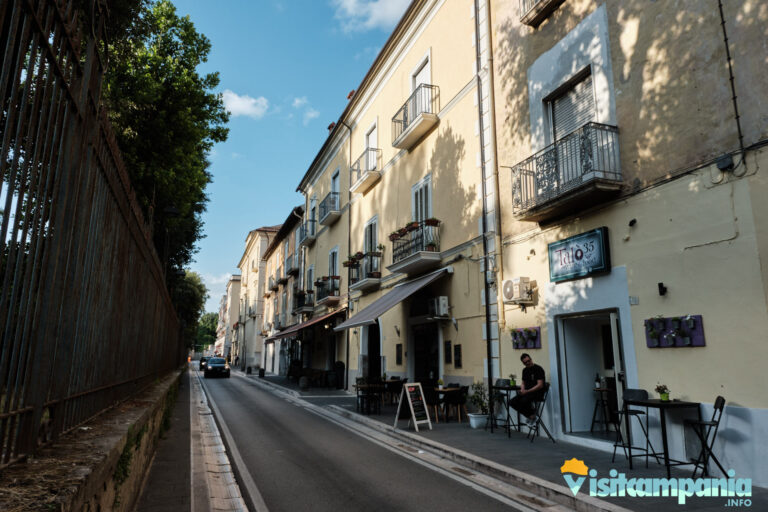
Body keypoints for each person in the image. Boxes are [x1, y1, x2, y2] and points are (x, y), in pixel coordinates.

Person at [509, 353, 545, 426]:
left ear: (531, 359)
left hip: (537, 392)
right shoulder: (525, 370)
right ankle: (531, 416)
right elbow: (523, 383)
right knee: (512, 402)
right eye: (525, 362)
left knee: (523, 401)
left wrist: (527, 391)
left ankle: (532, 415)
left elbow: (540, 385)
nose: (528, 363)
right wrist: (522, 390)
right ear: (523, 363)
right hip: (527, 392)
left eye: (529, 360)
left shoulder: (538, 369)